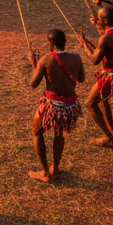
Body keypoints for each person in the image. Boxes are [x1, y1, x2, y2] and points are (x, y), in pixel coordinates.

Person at [27, 29, 85, 182]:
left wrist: (35, 65)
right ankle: (56, 168)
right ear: (64, 42)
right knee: (58, 134)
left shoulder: (46, 60)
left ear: (50, 44)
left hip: (53, 106)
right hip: (70, 106)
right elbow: (82, 78)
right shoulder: (76, 57)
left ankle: (46, 172)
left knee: (36, 132)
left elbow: (33, 84)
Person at [81, 5, 113, 147]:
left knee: (90, 103)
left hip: (112, 77)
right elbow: (110, 44)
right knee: (103, 101)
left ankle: (109, 137)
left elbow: (94, 60)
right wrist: (98, 26)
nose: (96, 19)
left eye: (99, 18)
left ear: (103, 20)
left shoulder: (105, 39)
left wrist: (84, 45)